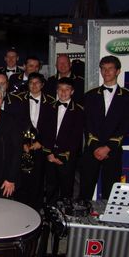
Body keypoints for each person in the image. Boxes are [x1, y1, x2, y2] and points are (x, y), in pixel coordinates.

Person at [79, 56, 129, 200]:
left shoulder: (128, 97)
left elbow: (124, 126)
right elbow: (87, 124)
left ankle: (107, 221)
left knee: (110, 191)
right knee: (85, 189)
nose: (106, 72)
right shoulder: (90, 96)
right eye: (103, 68)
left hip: (112, 152)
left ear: (118, 71)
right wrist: (97, 147)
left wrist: (107, 148)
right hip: (92, 150)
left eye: (110, 68)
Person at [39, 77, 84, 205]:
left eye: (67, 89)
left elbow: (76, 137)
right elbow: (43, 131)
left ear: (72, 91)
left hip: (66, 158)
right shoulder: (48, 107)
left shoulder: (79, 111)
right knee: (50, 188)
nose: (63, 92)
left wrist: (62, 156)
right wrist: (49, 153)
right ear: (57, 90)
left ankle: (66, 216)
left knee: (67, 189)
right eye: (60, 89)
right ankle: (50, 215)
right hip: (50, 156)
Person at [14, 72, 54, 211]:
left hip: (39, 148)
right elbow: (15, 124)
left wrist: (42, 143)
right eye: (31, 83)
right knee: (21, 179)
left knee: (37, 180)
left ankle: (35, 210)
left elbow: (52, 127)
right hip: (23, 146)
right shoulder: (18, 100)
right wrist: (22, 143)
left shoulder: (50, 102)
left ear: (42, 85)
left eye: (37, 83)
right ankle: (20, 209)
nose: (34, 85)